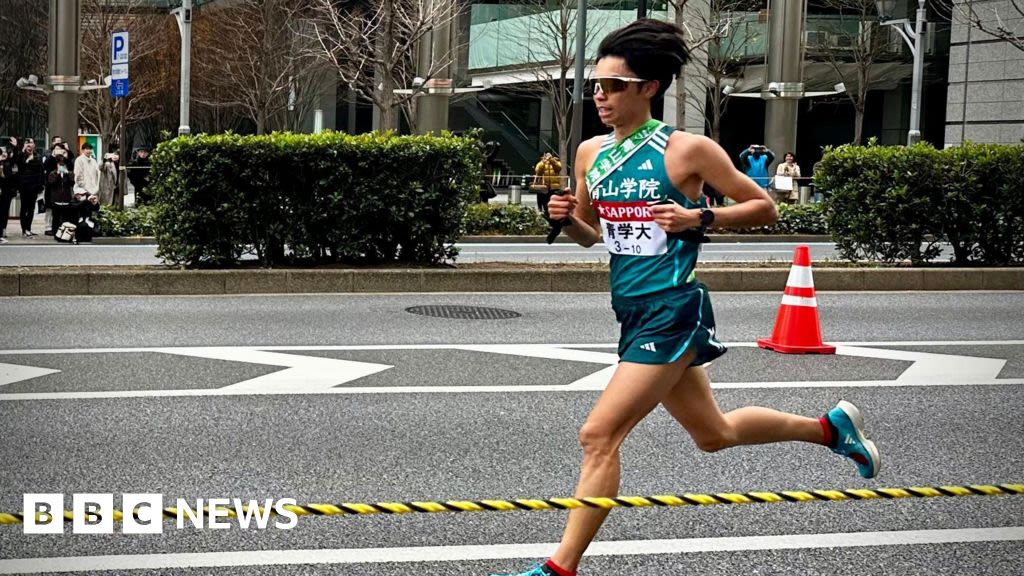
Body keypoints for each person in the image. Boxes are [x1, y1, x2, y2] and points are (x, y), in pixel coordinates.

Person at [492, 19, 880, 576]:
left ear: (649, 87)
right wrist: (562, 216)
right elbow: (596, 234)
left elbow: (764, 206)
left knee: (598, 434)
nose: (600, 96)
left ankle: (559, 569)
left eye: (614, 86)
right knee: (713, 434)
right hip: (631, 311)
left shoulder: (686, 150)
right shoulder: (589, 154)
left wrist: (701, 216)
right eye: (595, 87)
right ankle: (830, 428)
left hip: (674, 308)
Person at [10, 136, 45, 237]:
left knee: (32, 209)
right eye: (27, 143)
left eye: (31, 143)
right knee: (24, 208)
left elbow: (41, 172)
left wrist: (41, 185)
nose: (30, 145)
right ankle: (24, 229)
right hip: (24, 186)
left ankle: (28, 228)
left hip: (34, 187)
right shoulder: (21, 156)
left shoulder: (37, 156)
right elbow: (15, 162)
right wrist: (19, 149)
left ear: (34, 145)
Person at [0, 145, 17, 244]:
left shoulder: (7, 164)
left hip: (6, 192)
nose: (3, 154)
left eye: (5, 152)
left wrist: (15, 147)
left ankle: (3, 230)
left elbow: (14, 158)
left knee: (4, 212)